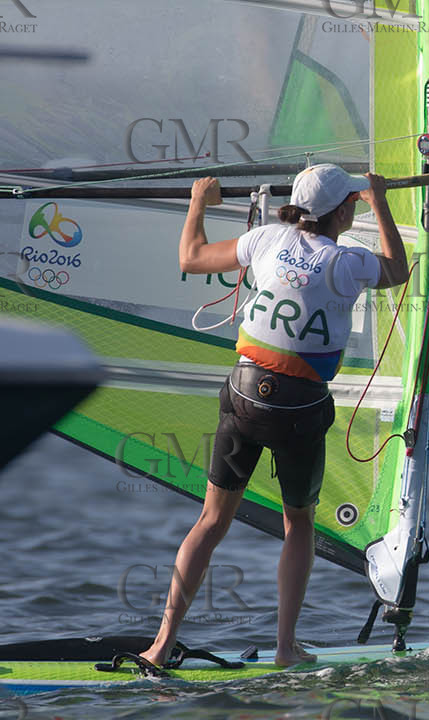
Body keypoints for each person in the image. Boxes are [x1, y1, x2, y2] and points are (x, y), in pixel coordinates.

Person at [139, 164, 410, 669]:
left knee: (211, 519)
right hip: (300, 407)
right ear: (343, 210)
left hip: (243, 395)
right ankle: (286, 648)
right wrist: (382, 202)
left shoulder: (265, 239)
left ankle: (159, 645)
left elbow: (191, 257)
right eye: (353, 202)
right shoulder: (346, 262)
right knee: (298, 522)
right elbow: (398, 271)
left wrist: (200, 200)